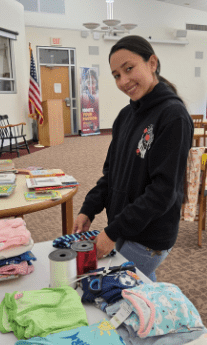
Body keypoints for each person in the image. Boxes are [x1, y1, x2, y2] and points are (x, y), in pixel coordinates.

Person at [75, 35, 193, 283]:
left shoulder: (173, 116)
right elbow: (111, 174)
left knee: (107, 286)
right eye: (117, 75)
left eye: (129, 69)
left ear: (152, 63)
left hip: (149, 236)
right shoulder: (125, 116)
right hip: (125, 227)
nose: (123, 80)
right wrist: (89, 208)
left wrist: (112, 232)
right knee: (141, 290)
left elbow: (163, 191)